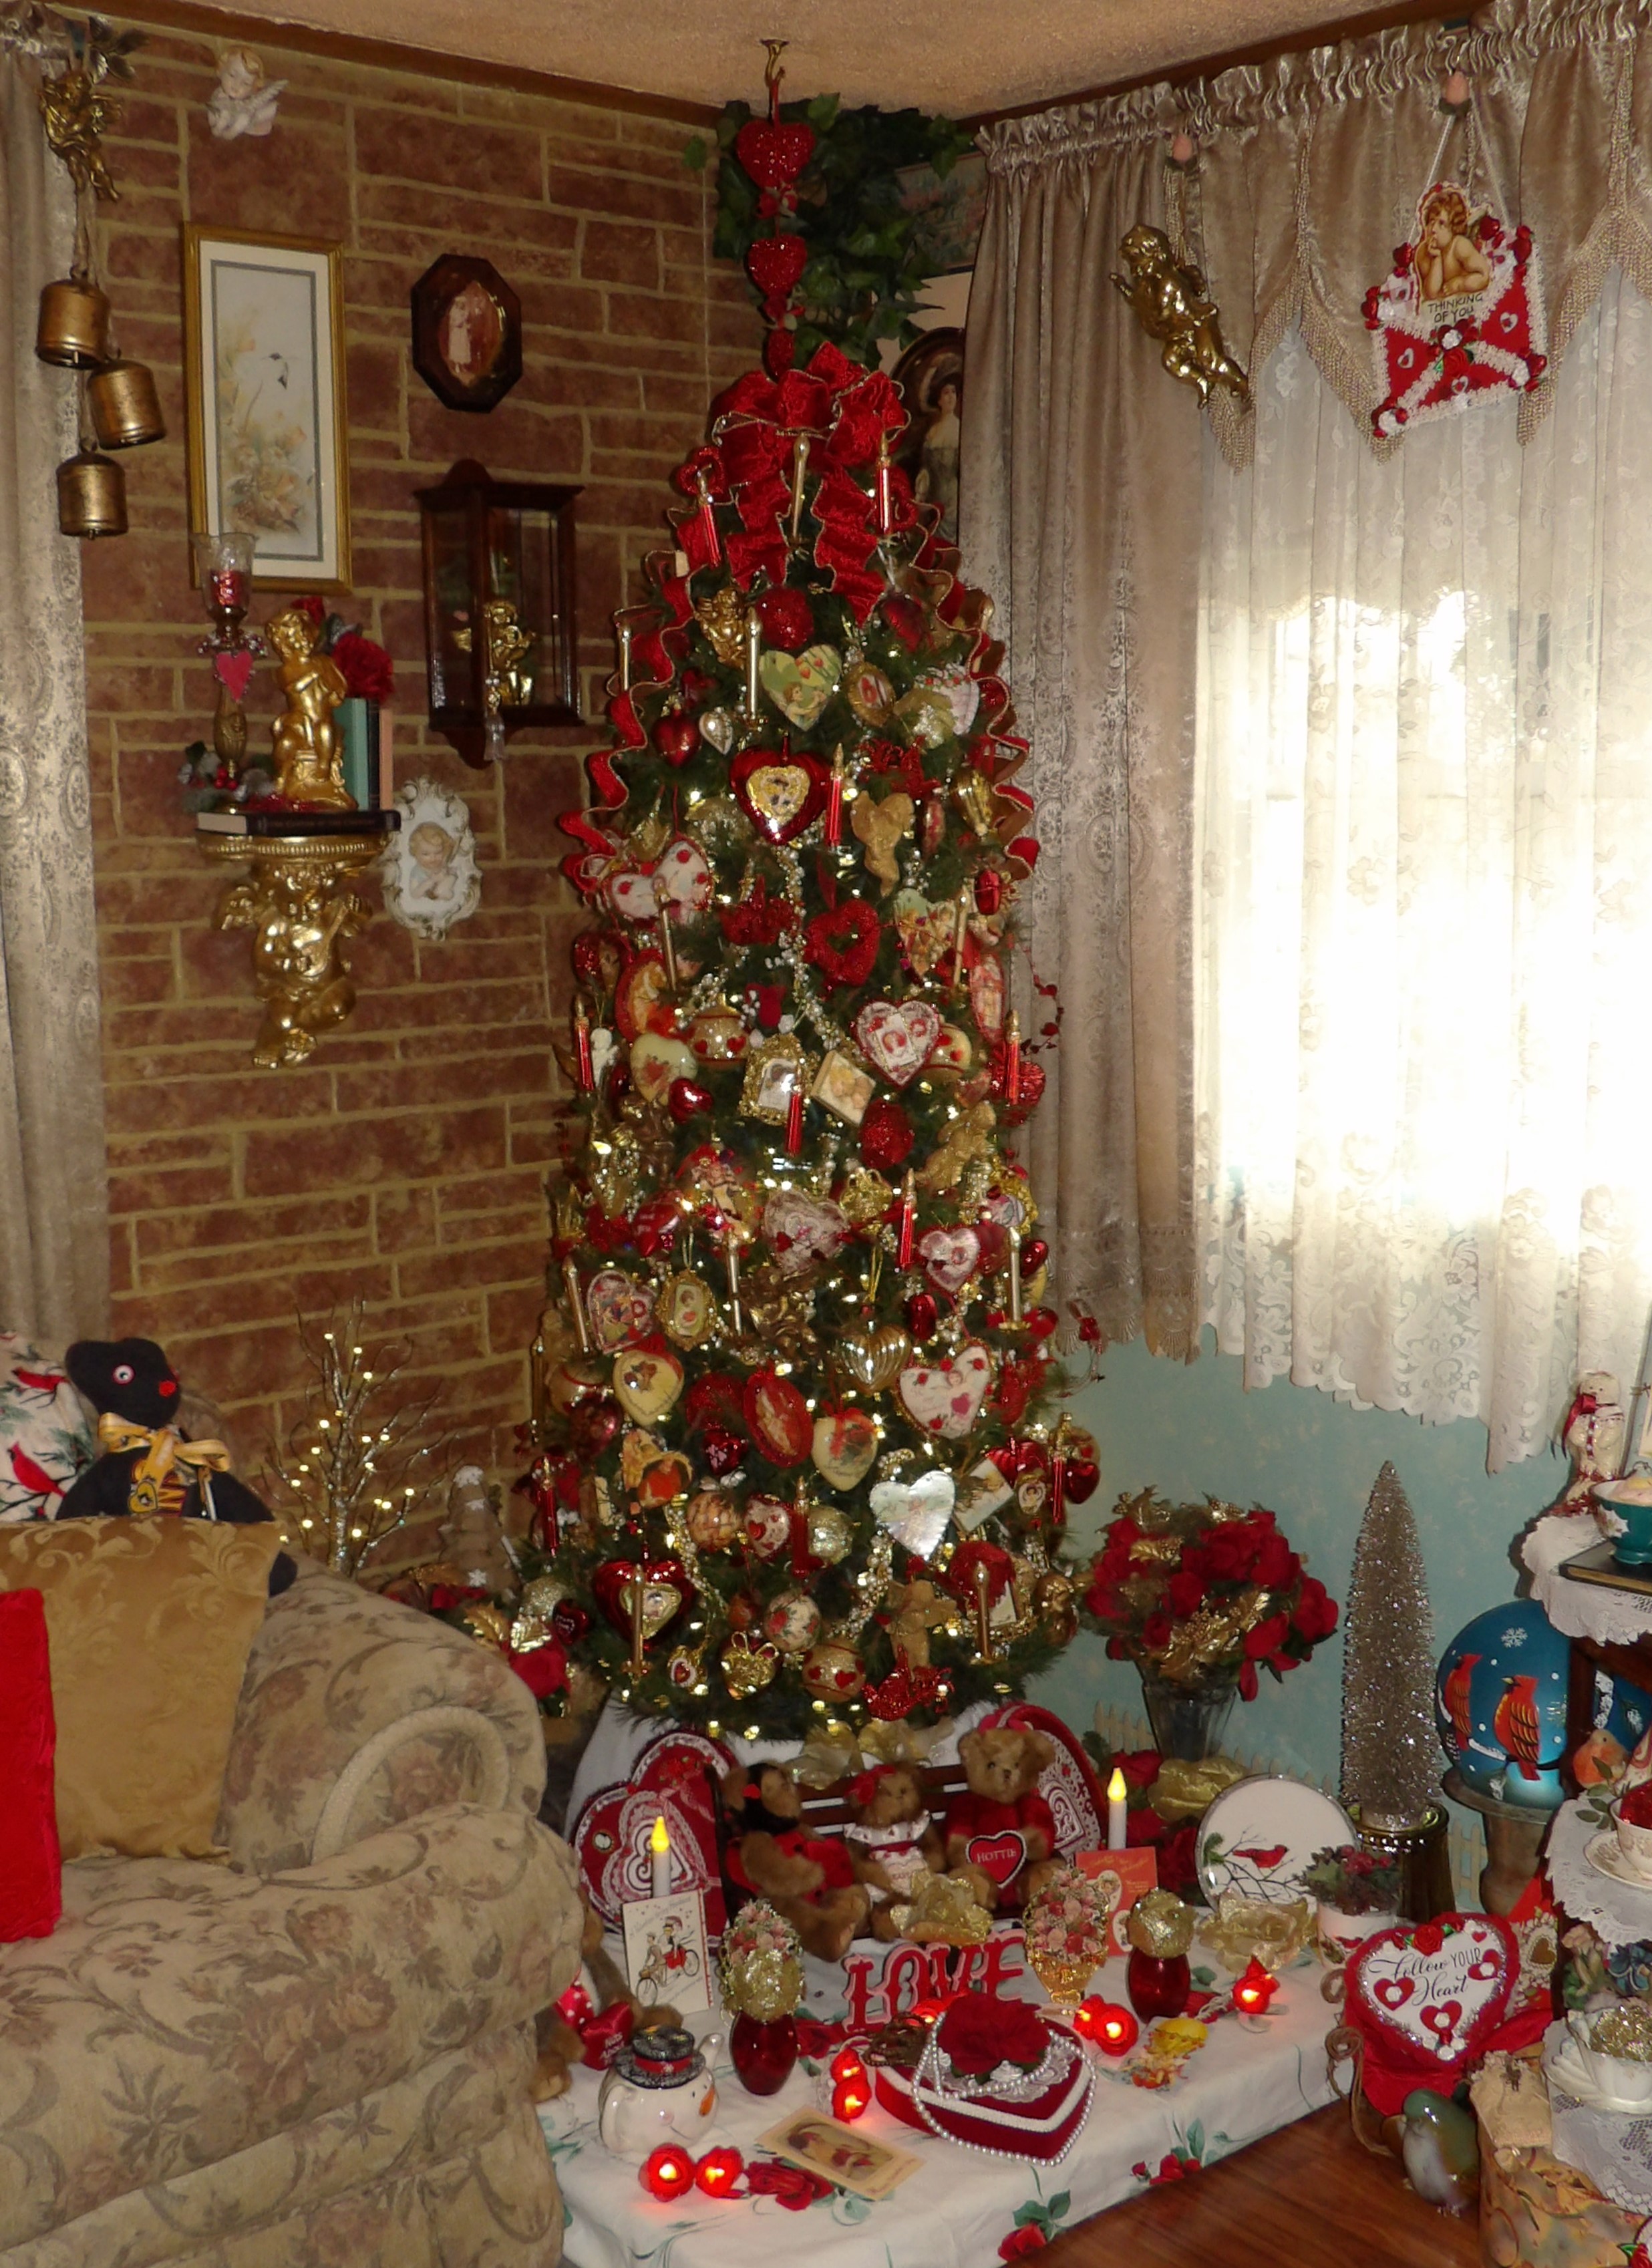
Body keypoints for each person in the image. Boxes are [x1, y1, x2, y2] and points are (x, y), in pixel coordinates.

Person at [1416, 184, 1491, 303]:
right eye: (1431, 222)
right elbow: (1431, 294)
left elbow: (1484, 275)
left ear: (1453, 228)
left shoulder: (1459, 246)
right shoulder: (1423, 253)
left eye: (1441, 224)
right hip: (1442, 311)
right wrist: (1436, 259)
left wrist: (1460, 284)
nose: (1433, 229)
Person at [915, 377, 961, 542]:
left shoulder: (960, 429)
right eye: (946, 393)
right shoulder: (933, 432)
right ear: (939, 400)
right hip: (934, 495)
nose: (950, 397)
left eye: (953, 392)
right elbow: (926, 468)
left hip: (953, 496)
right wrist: (921, 491)